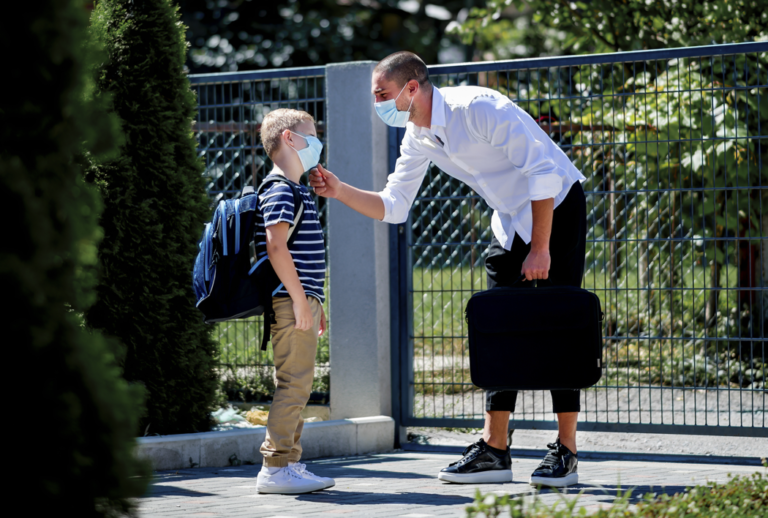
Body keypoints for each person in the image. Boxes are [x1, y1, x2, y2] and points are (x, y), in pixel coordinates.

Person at [309, 52, 587, 488]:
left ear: (412, 88)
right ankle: (495, 450)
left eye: (382, 94)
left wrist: (540, 247)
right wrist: (340, 191)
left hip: (556, 207)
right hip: (511, 218)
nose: (378, 103)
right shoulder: (417, 136)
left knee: (556, 326)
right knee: (498, 326)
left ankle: (566, 451)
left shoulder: (477, 108)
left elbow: (542, 171)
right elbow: (395, 206)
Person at [254, 109, 334, 494]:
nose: (317, 141)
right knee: (294, 384)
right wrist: (301, 302)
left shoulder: (297, 188)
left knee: (297, 384)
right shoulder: (280, 188)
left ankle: (289, 464)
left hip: (300, 300)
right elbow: (276, 247)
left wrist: (315, 303)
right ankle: (275, 466)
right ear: (289, 139)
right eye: (311, 134)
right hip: (291, 301)